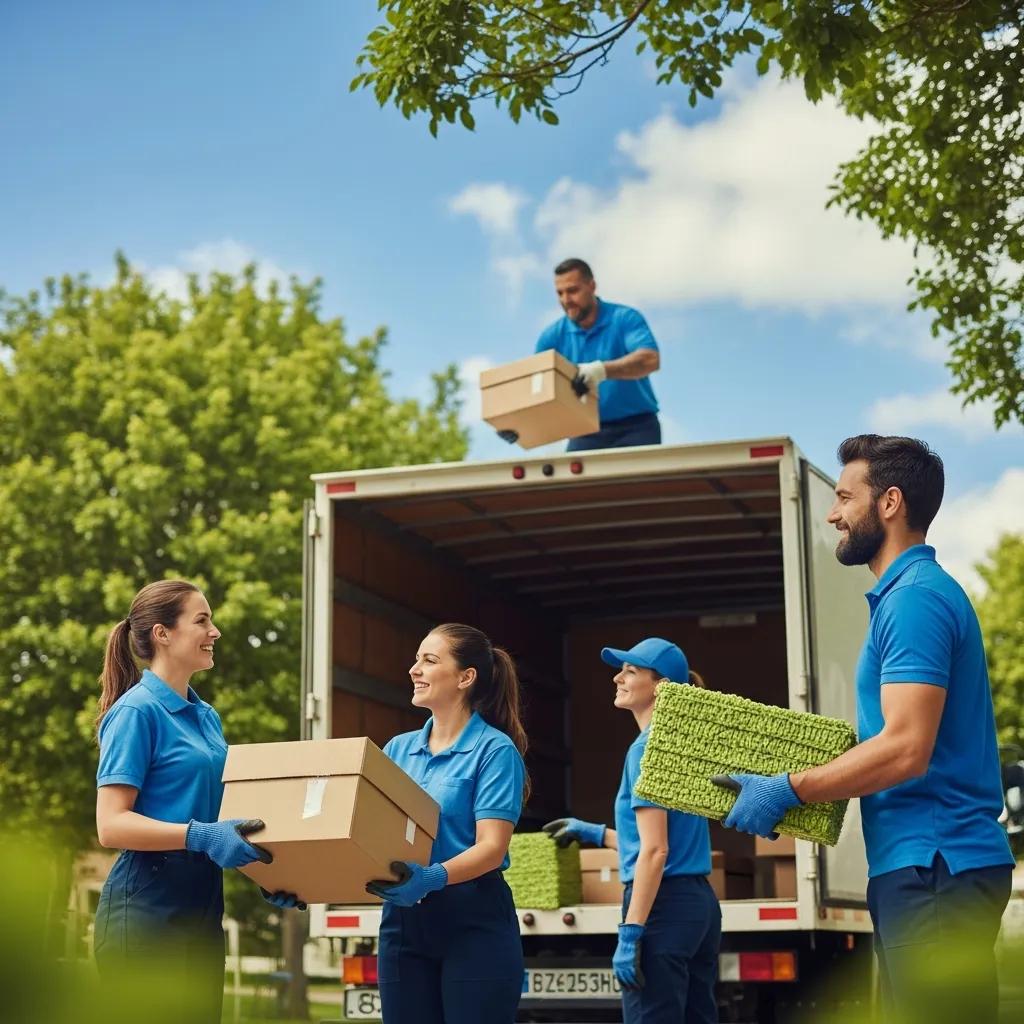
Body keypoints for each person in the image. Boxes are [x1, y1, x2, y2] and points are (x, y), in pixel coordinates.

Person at [715, 435, 1014, 1024]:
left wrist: (789, 787)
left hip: (935, 866)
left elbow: (906, 748)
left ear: (890, 503)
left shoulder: (915, 602)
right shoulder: (911, 596)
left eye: (845, 497)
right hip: (930, 868)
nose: (832, 513)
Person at [93, 579, 300, 1022]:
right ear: (162, 634)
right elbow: (111, 826)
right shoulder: (136, 712)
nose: (215, 631)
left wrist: (271, 873)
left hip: (203, 905)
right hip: (146, 906)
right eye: (202, 620)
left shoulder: (206, 717)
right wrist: (200, 835)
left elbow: (219, 825)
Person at [543, 638, 720, 1023]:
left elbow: (656, 852)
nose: (617, 678)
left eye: (631, 671)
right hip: (699, 907)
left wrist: (631, 930)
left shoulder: (644, 749)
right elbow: (661, 841)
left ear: (660, 687)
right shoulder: (684, 744)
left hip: (662, 907)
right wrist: (595, 834)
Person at [366, 623, 528, 1024]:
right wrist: (301, 880)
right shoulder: (397, 750)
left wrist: (432, 877)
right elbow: (365, 835)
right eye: (417, 659)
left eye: (429, 660)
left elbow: (492, 848)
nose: (414, 669)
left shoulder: (494, 751)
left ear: (465, 678)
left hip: (474, 923)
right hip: (404, 925)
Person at [535, 257, 662, 451]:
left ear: (592, 286)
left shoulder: (625, 318)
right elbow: (536, 387)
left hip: (637, 428)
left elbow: (650, 359)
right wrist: (515, 425)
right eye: (560, 293)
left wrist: (601, 370)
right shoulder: (551, 338)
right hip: (584, 432)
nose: (566, 300)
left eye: (573, 291)